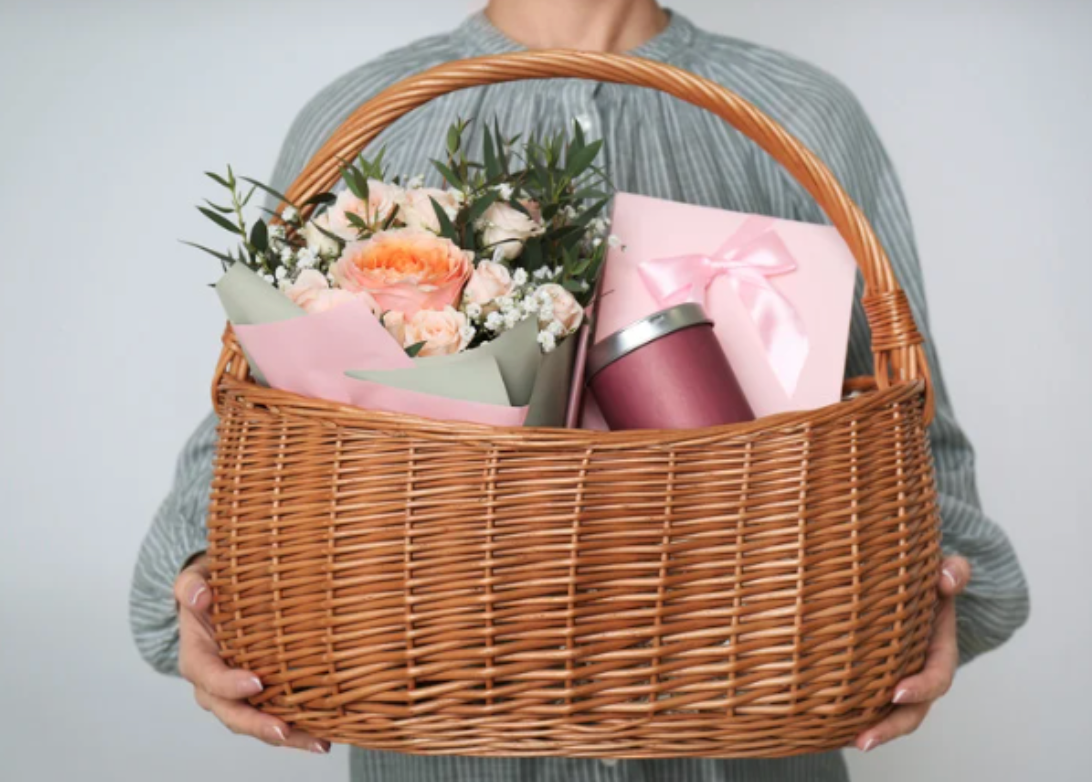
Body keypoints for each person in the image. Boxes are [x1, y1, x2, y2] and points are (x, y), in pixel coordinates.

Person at [130, 1, 1030, 779]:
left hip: (754, 738)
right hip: (438, 744)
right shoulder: (365, 119)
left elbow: (914, 436)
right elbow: (261, 426)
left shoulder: (802, 116)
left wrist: (940, 590)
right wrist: (198, 585)